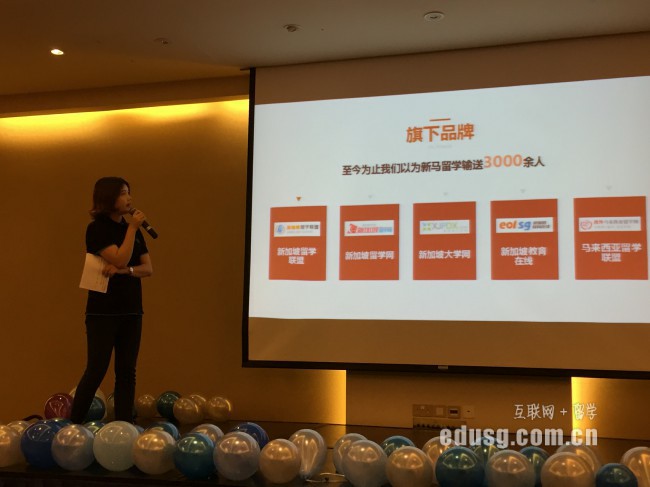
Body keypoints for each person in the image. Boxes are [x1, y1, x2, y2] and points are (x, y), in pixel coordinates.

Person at [70, 177, 153, 424]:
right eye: (123, 193)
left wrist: (125, 271)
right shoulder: (97, 229)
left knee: (127, 372)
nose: (129, 198)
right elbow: (119, 258)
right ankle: (74, 424)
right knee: (96, 369)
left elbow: (147, 268)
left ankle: (124, 425)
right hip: (103, 312)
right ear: (109, 198)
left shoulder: (132, 230)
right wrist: (132, 230)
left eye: (129, 192)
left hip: (131, 310)